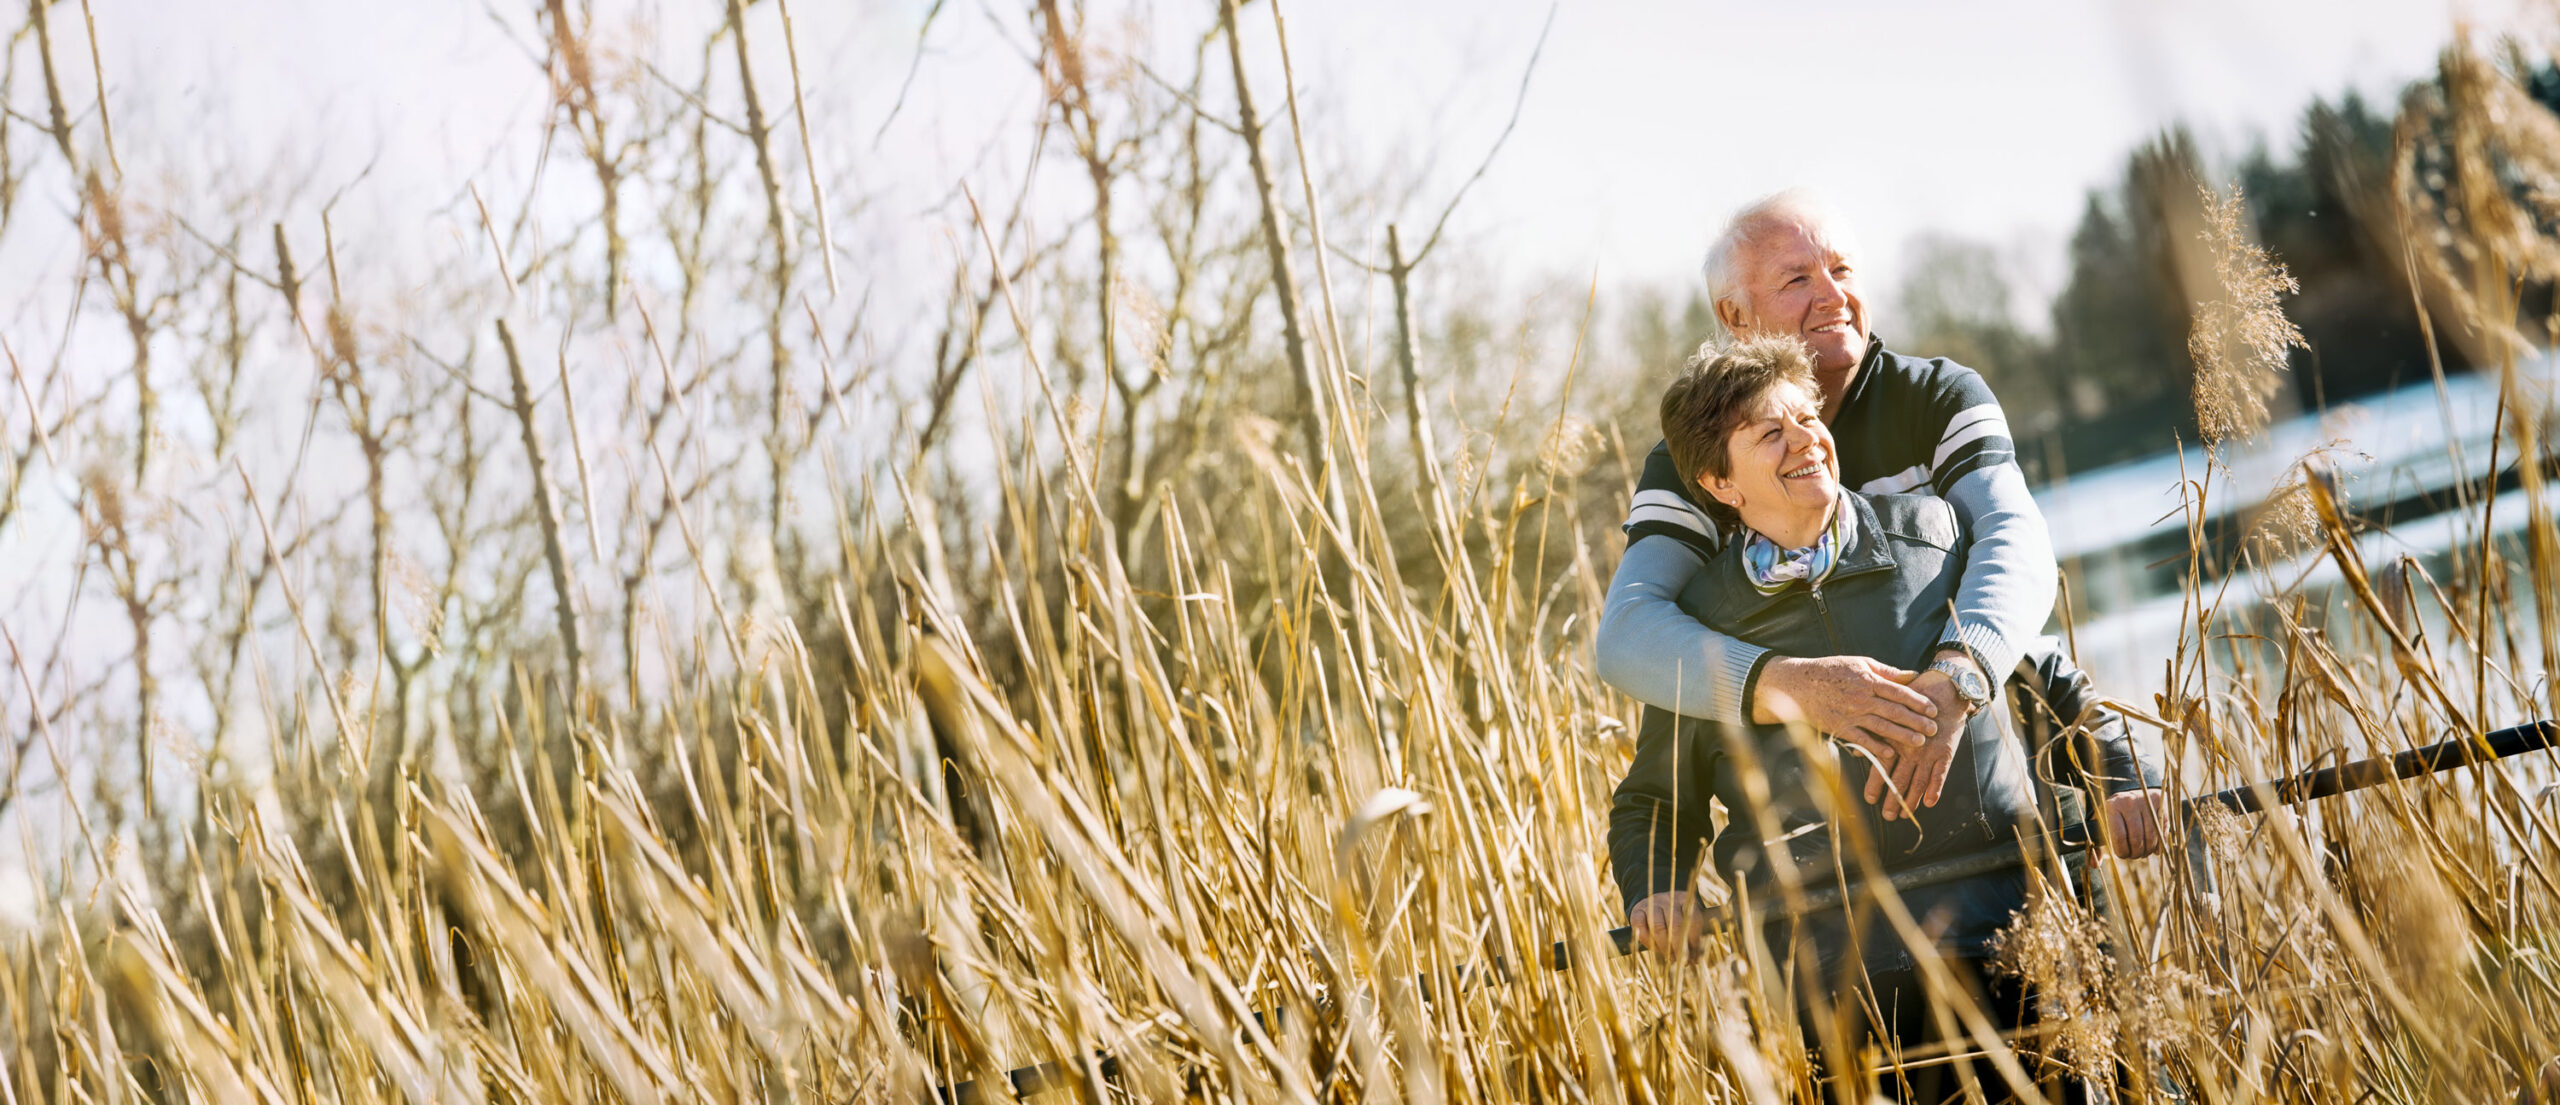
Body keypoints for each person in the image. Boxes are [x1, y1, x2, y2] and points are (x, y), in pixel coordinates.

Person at [1595, 193, 2166, 950]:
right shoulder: (1694, 459)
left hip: (2017, 877)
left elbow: (2017, 554)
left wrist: (1961, 677)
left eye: (1841, 269)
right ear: (1735, 318)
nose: (1833, 296)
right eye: (1797, 279)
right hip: (1839, 943)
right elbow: (1632, 638)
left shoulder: (1937, 396)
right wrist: (1794, 688)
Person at [1607, 337, 2156, 1103]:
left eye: (1808, 416)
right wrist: (1656, 889)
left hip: (2015, 933)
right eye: (1772, 432)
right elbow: (1653, 800)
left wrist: (2125, 780)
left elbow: (2054, 684)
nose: (1807, 439)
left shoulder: (1932, 537)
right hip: (1840, 985)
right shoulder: (1701, 625)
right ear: (1718, 481)